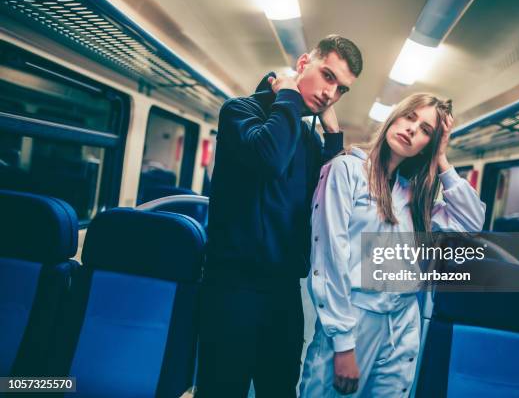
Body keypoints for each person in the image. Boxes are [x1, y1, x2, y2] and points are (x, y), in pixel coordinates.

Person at [197, 35, 363, 397]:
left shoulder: (308, 139)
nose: (330, 93)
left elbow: (328, 194)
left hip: (284, 291)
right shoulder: (240, 111)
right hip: (232, 288)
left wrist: (333, 133)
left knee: (280, 387)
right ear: (303, 63)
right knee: (222, 388)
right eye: (328, 76)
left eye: (341, 89)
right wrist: (287, 95)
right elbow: (269, 157)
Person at [299, 93, 486, 397]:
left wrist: (441, 159)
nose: (413, 129)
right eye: (410, 117)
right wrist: (344, 345)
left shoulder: (412, 195)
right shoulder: (345, 171)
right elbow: (329, 260)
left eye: (426, 130)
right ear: (394, 117)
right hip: (355, 318)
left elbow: (471, 223)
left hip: (402, 322)